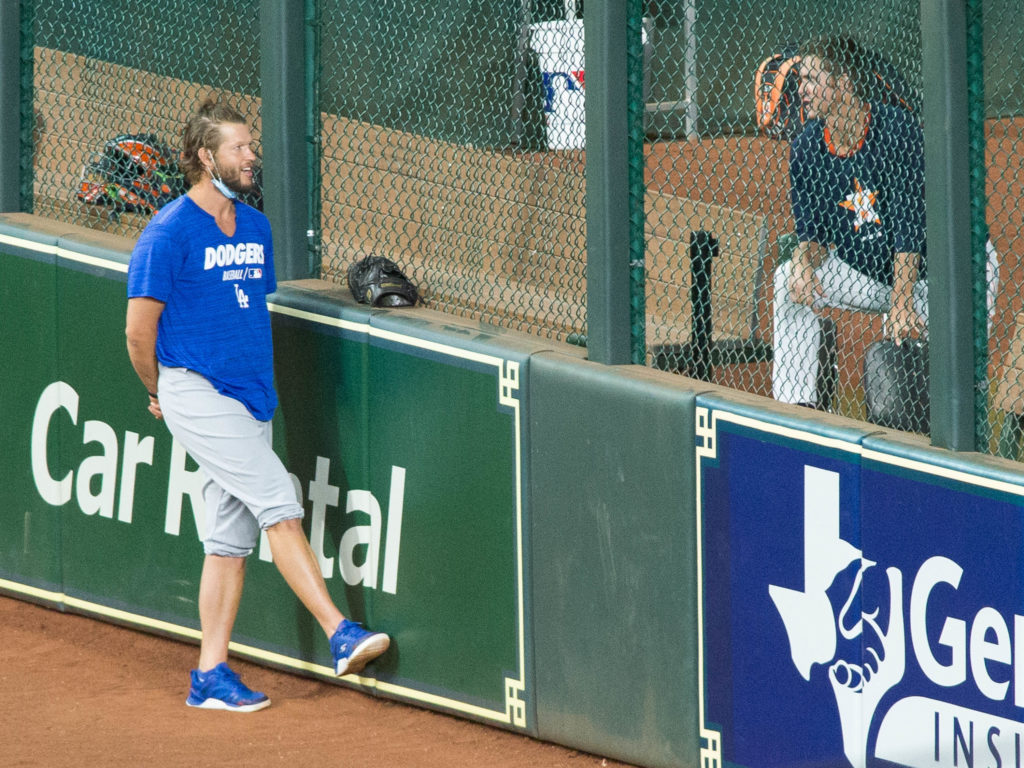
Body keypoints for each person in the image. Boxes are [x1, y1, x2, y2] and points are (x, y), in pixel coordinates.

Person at [125, 98, 389, 712]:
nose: (252, 156)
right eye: (240, 147)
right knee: (280, 504)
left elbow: (243, 309)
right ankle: (339, 632)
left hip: (251, 397)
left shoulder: (255, 226)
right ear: (202, 156)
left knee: (227, 540)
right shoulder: (167, 233)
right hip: (194, 388)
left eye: (252, 146)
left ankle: (210, 675)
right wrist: (160, 392)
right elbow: (139, 333)